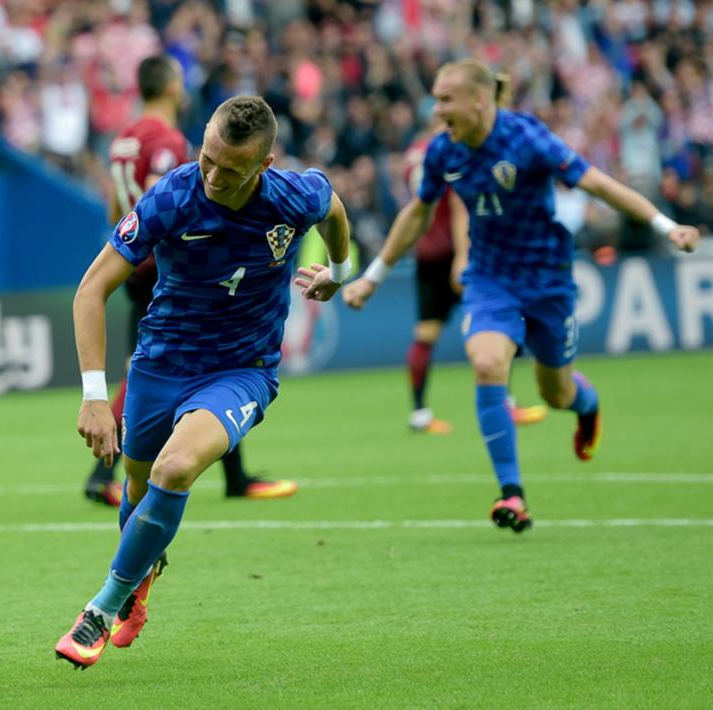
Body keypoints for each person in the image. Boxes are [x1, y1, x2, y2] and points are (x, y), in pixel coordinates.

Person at [343, 59, 701, 533]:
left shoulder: (527, 139)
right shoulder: (441, 153)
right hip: (490, 278)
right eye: (435, 97)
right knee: (488, 362)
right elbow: (417, 213)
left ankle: (586, 405)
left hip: (549, 281)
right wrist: (373, 275)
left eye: (446, 98)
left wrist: (665, 225)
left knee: (556, 393)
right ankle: (512, 494)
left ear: (479, 98)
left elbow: (596, 183)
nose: (437, 108)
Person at [57, 95, 350, 668]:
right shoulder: (171, 195)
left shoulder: (294, 194)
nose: (213, 175)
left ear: (263, 166)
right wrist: (95, 396)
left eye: (231, 168)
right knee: (138, 496)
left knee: (175, 469)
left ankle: (100, 607)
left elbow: (334, 209)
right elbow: (91, 290)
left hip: (241, 372)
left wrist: (337, 273)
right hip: (160, 365)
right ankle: (141, 579)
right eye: (207, 157)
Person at [84, 55, 298, 507]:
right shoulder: (166, 139)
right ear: (169, 87)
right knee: (194, 365)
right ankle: (106, 470)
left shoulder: (124, 138)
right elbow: (178, 203)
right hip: (172, 271)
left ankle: (233, 476)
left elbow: (114, 210)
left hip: (131, 262)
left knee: (185, 367)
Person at [398, 75, 548, 435]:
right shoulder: (449, 150)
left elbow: (418, 205)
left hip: (425, 251)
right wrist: (463, 256)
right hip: (458, 251)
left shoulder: (412, 154)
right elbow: (457, 203)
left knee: (425, 334)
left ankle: (419, 413)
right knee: (495, 324)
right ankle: (506, 403)